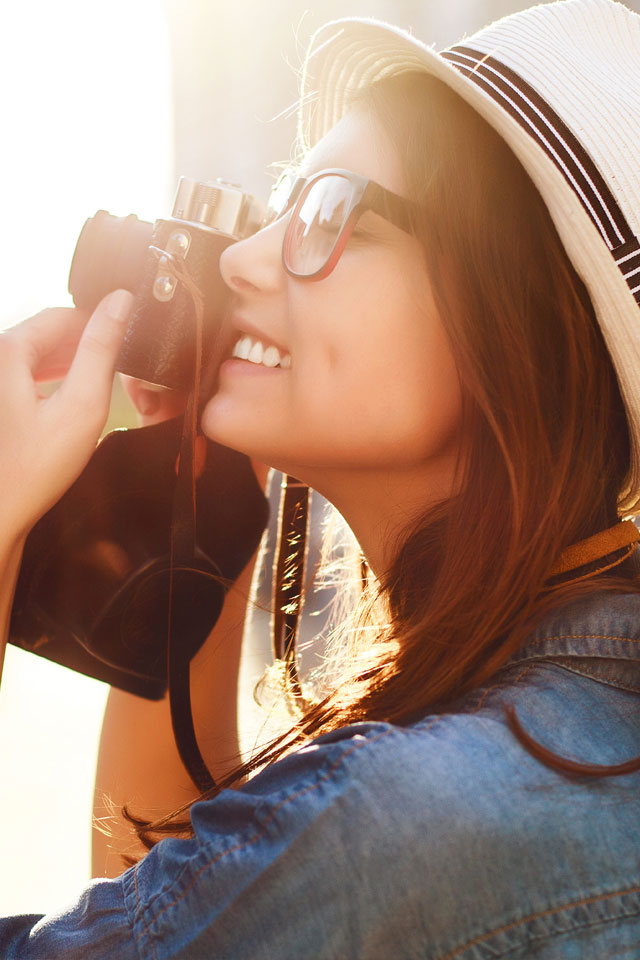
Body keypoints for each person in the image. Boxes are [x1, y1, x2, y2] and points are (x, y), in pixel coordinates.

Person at [2, 0, 640, 955]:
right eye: (275, 208)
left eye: (328, 213)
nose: (246, 260)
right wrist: (201, 503)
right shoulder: (575, 722)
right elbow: (183, 908)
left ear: (519, 329)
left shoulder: (409, 815)